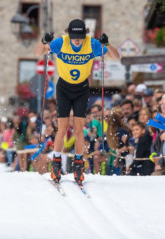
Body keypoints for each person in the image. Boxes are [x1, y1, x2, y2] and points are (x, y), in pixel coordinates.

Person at [34, 19, 120, 185]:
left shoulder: (92, 44)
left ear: (85, 34)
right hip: (64, 88)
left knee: (79, 129)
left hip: (81, 89)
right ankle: (57, 163)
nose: (77, 40)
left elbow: (115, 56)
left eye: (80, 36)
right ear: (69, 34)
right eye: (74, 37)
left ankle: (79, 164)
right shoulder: (61, 42)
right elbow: (38, 52)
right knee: (63, 127)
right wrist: (44, 41)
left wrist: (107, 44)